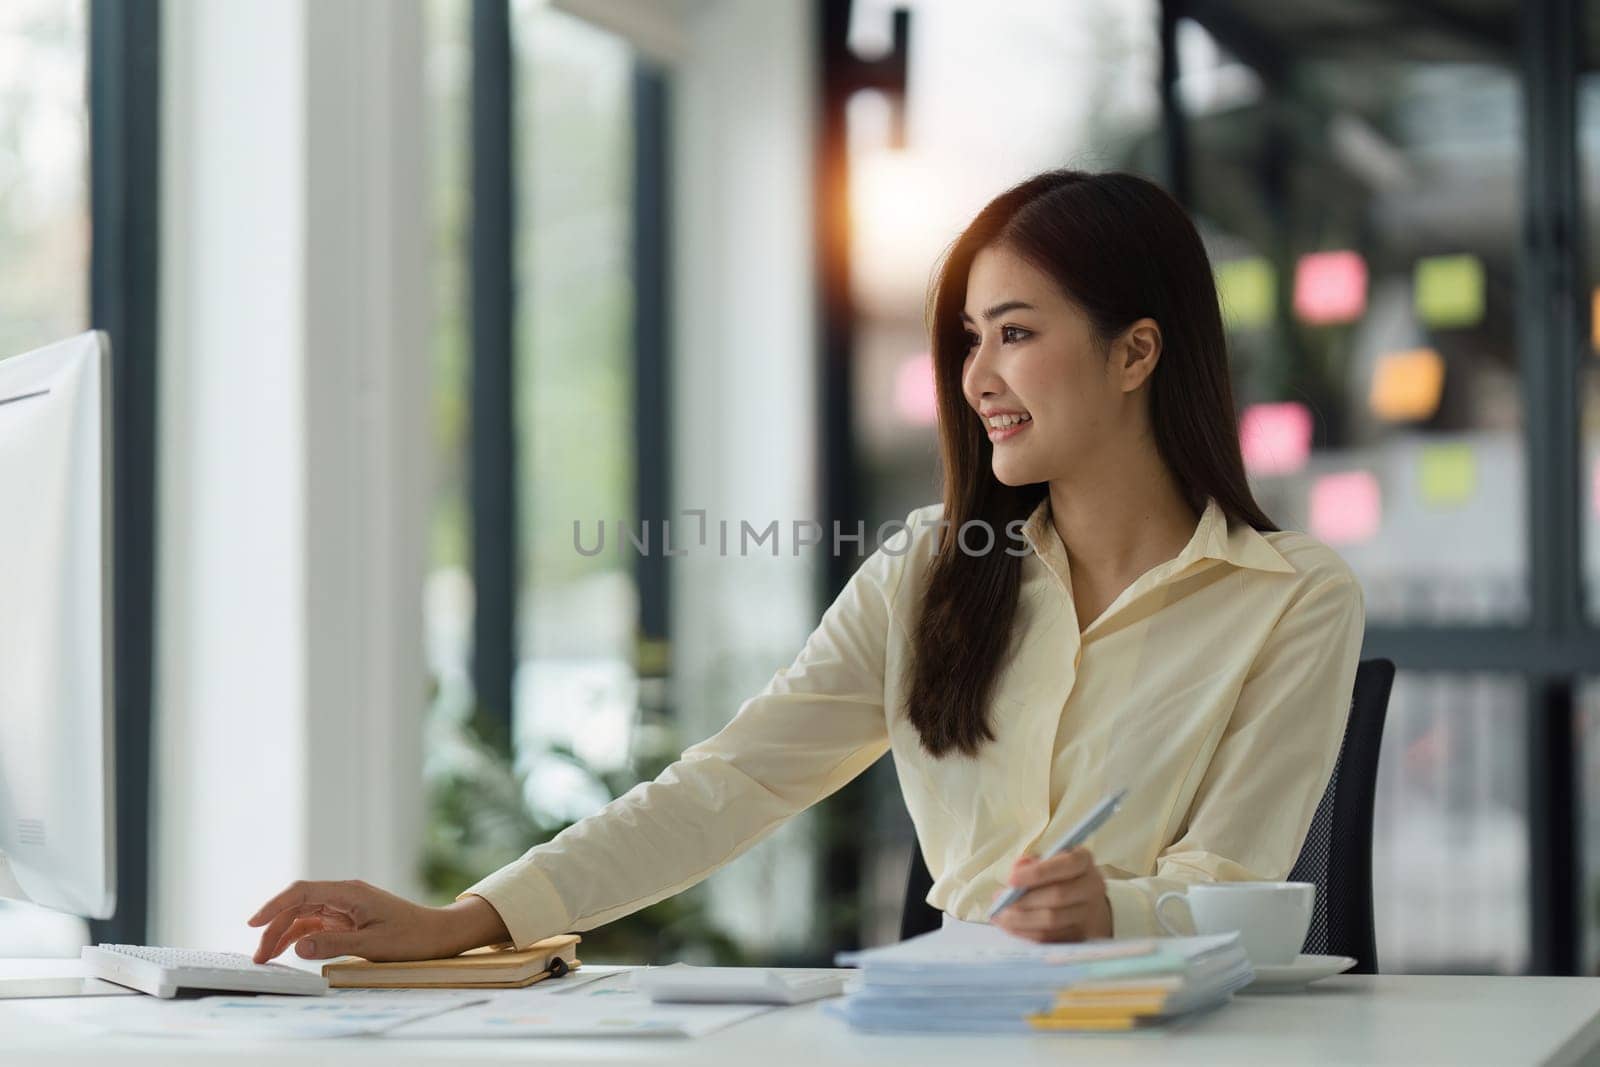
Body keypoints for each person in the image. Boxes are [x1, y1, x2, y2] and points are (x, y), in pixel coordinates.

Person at [249, 168, 1365, 964]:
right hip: (959, 1031)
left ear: (1135, 350)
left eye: (1015, 332)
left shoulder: (1290, 595)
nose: (976, 375)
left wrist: (1111, 910)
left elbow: (1230, 887)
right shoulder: (928, 571)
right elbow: (728, 785)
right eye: (967, 338)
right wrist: (467, 918)